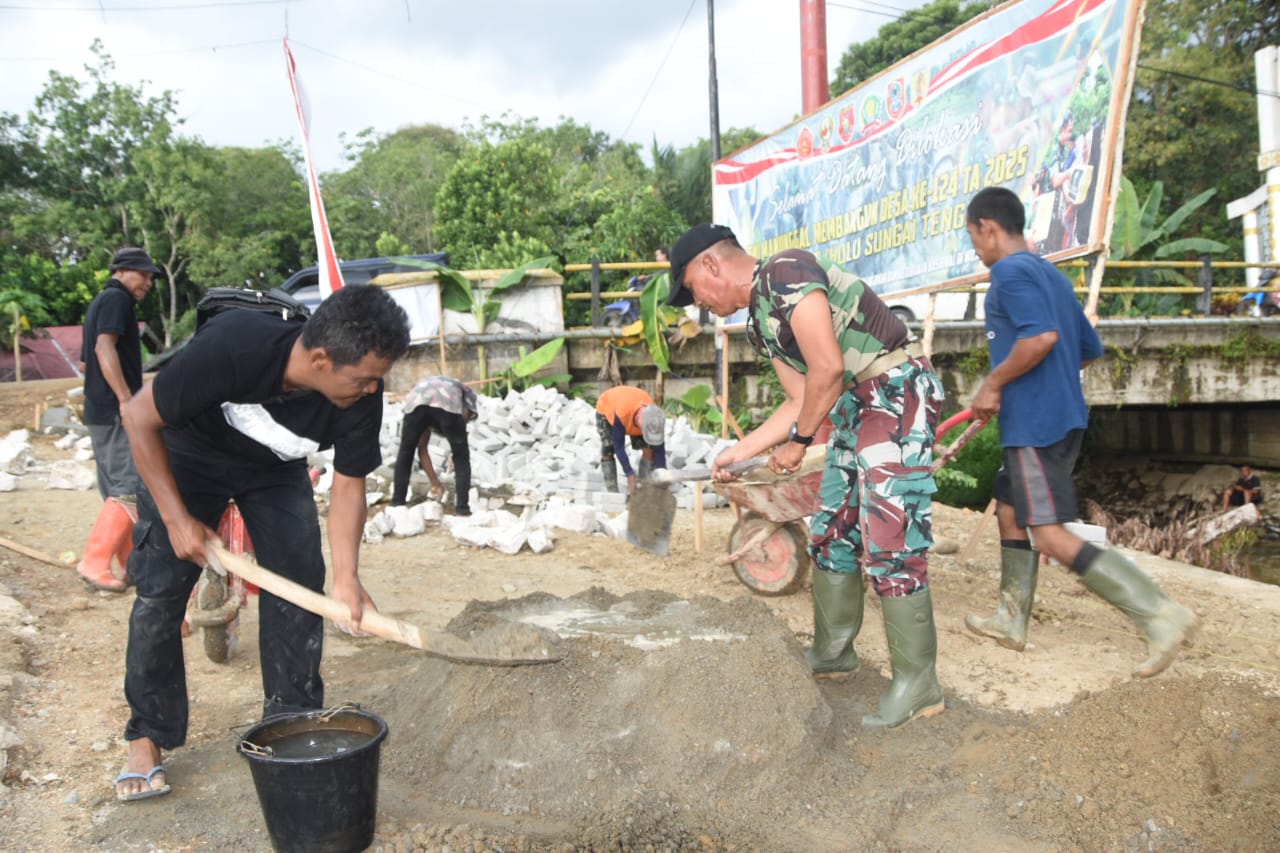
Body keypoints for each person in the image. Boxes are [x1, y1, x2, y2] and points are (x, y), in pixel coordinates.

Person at [114, 284, 410, 801]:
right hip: (188, 456)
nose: (371, 391)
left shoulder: (363, 392)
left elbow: (349, 484)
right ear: (320, 360)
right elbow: (138, 417)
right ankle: (147, 735)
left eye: (376, 380)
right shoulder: (233, 345)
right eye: (362, 379)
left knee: (300, 587)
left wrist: (347, 577)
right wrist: (176, 518)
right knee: (160, 592)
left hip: (274, 470)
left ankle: (291, 724)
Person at [667, 223, 946, 729]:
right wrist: (738, 452)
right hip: (852, 408)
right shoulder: (760, 322)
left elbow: (828, 369)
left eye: (692, 290)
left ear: (711, 264)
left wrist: (797, 444)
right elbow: (799, 400)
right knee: (831, 531)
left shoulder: (786, 271)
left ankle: (918, 683)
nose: (698, 304)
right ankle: (834, 653)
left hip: (894, 391)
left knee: (891, 540)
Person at [962, 186, 1197, 676]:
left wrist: (995, 384)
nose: (976, 248)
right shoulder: (1050, 274)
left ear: (988, 227)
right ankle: (1011, 619)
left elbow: (1041, 338)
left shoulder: (1009, 272)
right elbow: (1086, 349)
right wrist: (1036, 379)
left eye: (974, 237)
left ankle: (1159, 614)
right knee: (1010, 508)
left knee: (1049, 533)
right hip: (1063, 415)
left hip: (1035, 425)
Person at [76, 248, 158, 592]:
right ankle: (94, 563)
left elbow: (85, 362)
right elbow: (102, 349)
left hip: (99, 409)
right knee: (129, 486)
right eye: (144, 275)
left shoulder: (99, 302)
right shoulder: (117, 299)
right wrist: (125, 400)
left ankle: (128, 566)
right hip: (114, 410)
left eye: (151, 278)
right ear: (122, 271)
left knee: (115, 489)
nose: (148, 283)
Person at [391, 375, 477, 516]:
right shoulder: (466, 395)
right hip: (447, 403)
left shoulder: (427, 392)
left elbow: (422, 449)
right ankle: (462, 509)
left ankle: (397, 502)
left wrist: (436, 483)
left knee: (406, 451)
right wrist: (457, 448)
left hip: (417, 403)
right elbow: (466, 416)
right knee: (462, 457)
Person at [595, 385, 666, 494]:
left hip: (633, 403)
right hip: (607, 407)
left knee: (649, 450)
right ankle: (612, 493)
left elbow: (659, 450)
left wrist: (663, 477)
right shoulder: (622, 415)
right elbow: (619, 447)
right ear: (639, 424)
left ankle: (642, 491)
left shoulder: (655, 418)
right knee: (608, 449)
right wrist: (629, 474)